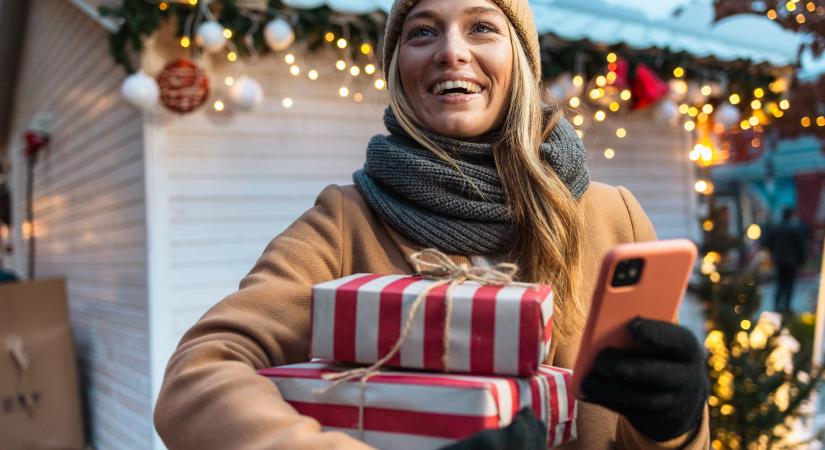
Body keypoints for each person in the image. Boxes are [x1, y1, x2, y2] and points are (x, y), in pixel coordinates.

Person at [153, 0, 710, 448]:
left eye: (482, 27)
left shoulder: (614, 218)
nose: (451, 52)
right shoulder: (345, 222)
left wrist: (675, 427)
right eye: (423, 32)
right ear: (399, 69)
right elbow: (196, 378)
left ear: (521, 60)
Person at [762, 208, 807, 314]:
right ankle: (786, 307)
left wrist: (773, 253)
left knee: (779, 284)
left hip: (779, 260)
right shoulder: (794, 229)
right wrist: (802, 260)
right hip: (791, 261)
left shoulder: (776, 228)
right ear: (791, 216)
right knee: (789, 285)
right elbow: (800, 246)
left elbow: (766, 242)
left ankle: (777, 306)